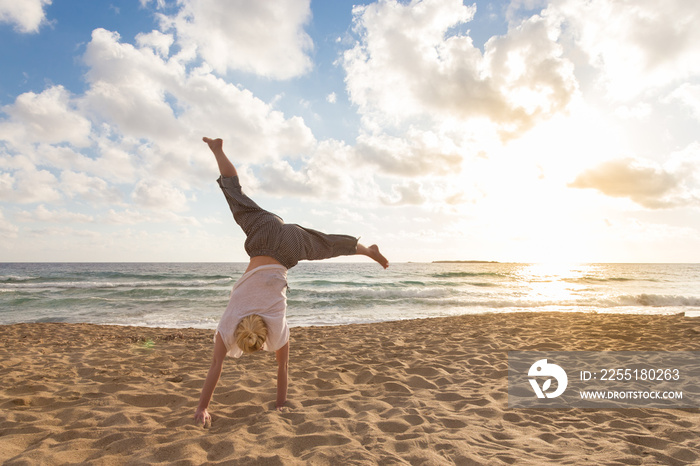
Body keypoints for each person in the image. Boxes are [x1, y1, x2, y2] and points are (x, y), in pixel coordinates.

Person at [194, 137, 388, 428]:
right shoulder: (229, 324)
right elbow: (215, 366)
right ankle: (218, 150)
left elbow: (282, 367)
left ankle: (366, 250)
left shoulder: (276, 328)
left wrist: (281, 404)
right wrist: (201, 408)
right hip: (267, 229)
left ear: (261, 343)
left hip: (289, 246)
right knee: (235, 196)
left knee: (325, 245)